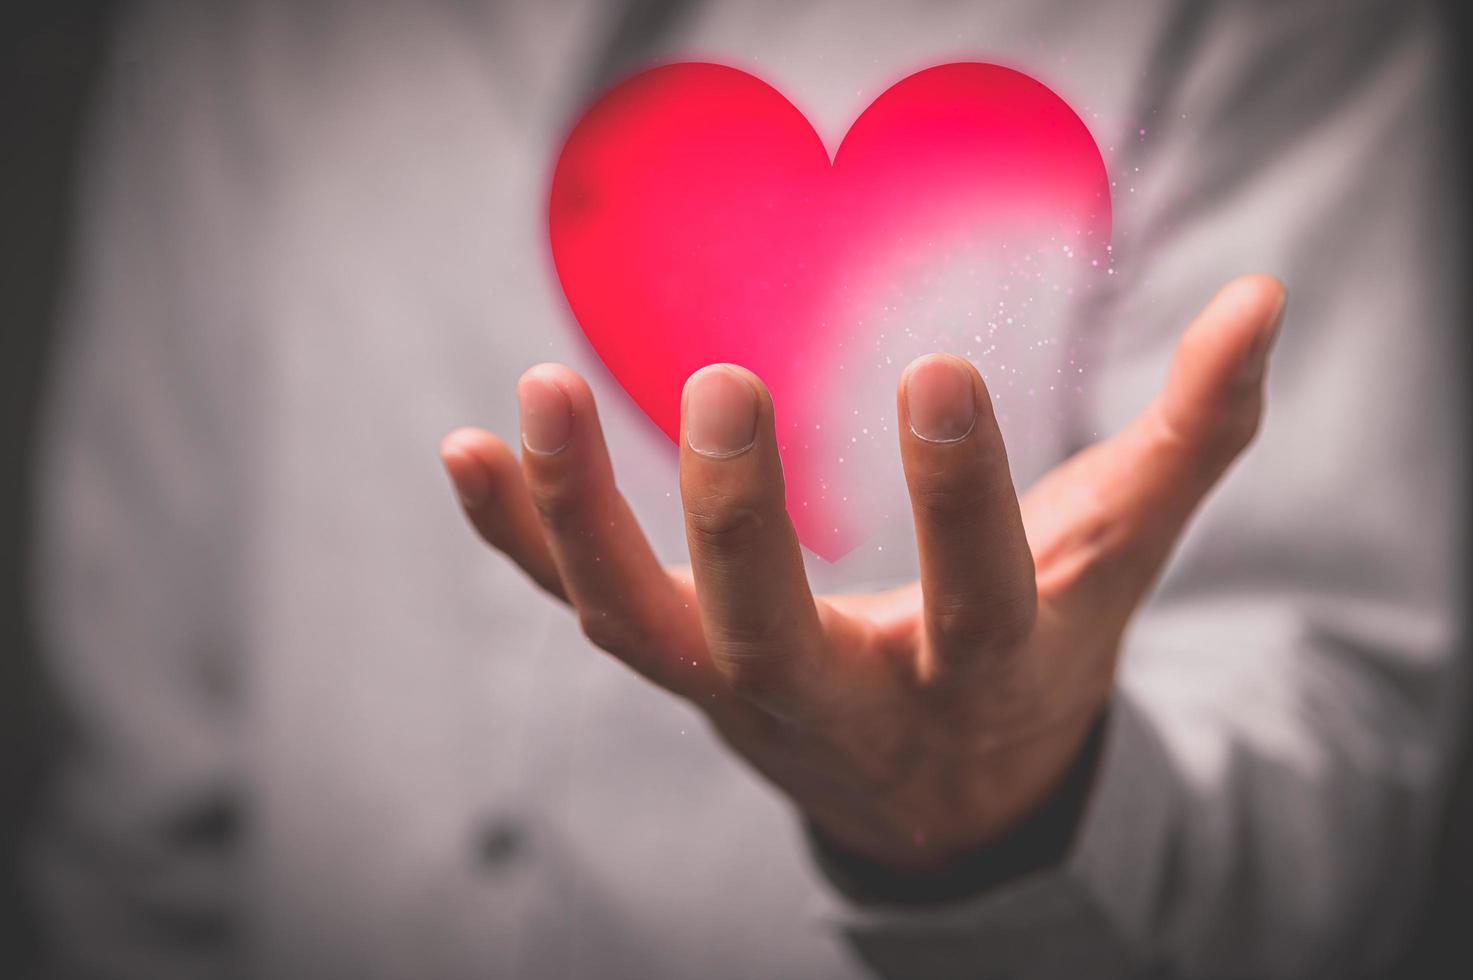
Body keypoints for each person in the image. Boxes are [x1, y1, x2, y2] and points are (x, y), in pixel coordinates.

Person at [21, 1, 1468, 977]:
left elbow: (1342, 742)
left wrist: (1010, 823)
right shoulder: (236, 40)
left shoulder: (1271, 27)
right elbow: (145, 758)